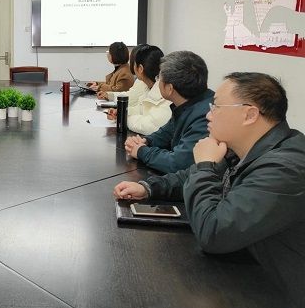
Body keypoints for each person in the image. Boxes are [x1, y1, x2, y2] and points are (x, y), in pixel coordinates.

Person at [114, 72, 305, 306]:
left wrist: (205, 165)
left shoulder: (286, 168)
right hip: (244, 272)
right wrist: (148, 188)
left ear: (250, 114)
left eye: (216, 107)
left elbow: (214, 232)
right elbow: (189, 177)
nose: (208, 114)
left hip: (276, 291)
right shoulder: (249, 147)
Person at [124, 50, 213, 173]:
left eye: (159, 78)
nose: (157, 81)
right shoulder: (188, 103)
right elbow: (167, 132)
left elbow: (178, 163)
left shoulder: (206, 116)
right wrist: (146, 141)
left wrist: (141, 151)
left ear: (169, 88)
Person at [107, 45, 171, 135]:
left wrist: (123, 118)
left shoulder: (164, 92)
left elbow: (150, 125)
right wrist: (121, 113)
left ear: (140, 69)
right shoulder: (151, 86)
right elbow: (141, 109)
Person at [106, 43, 149, 107]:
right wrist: (109, 95)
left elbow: (129, 98)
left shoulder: (125, 73)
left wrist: (107, 93)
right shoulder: (140, 80)